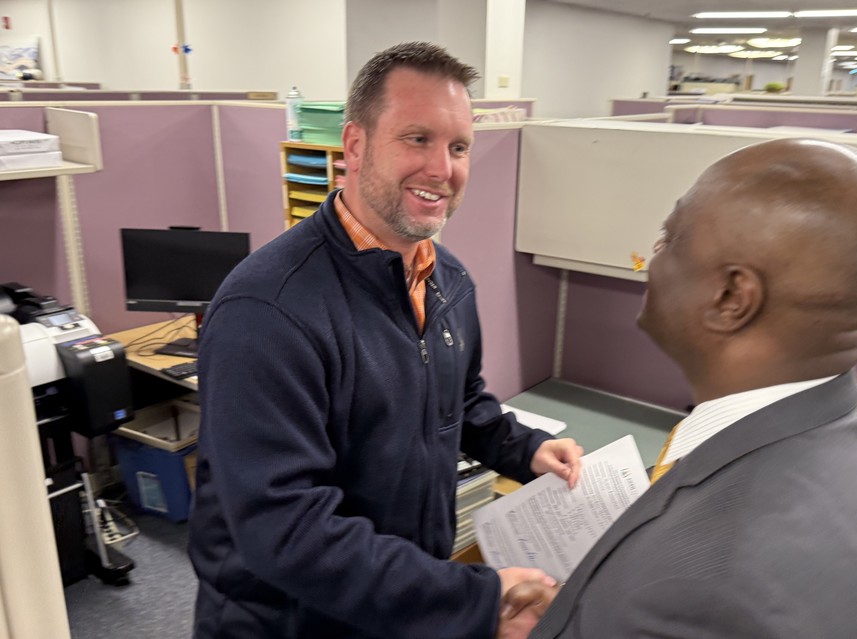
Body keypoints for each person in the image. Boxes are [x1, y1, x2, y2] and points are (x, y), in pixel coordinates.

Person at [189, 41, 582, 638]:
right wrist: (472, 601)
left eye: (458, 147)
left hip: (396, 601)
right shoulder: (268, 311)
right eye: (417, 139)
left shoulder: (447, 280)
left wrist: (524, 450)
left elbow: (459, 402)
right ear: (355, 145)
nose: (442, 169)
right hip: (290, 624)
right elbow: (285, 530)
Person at [506, 138, 857, 638]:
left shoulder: (702, 582)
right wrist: (586, 613)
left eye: (669, 238)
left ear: (731, 297)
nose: (649, 260)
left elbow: (701, 597)